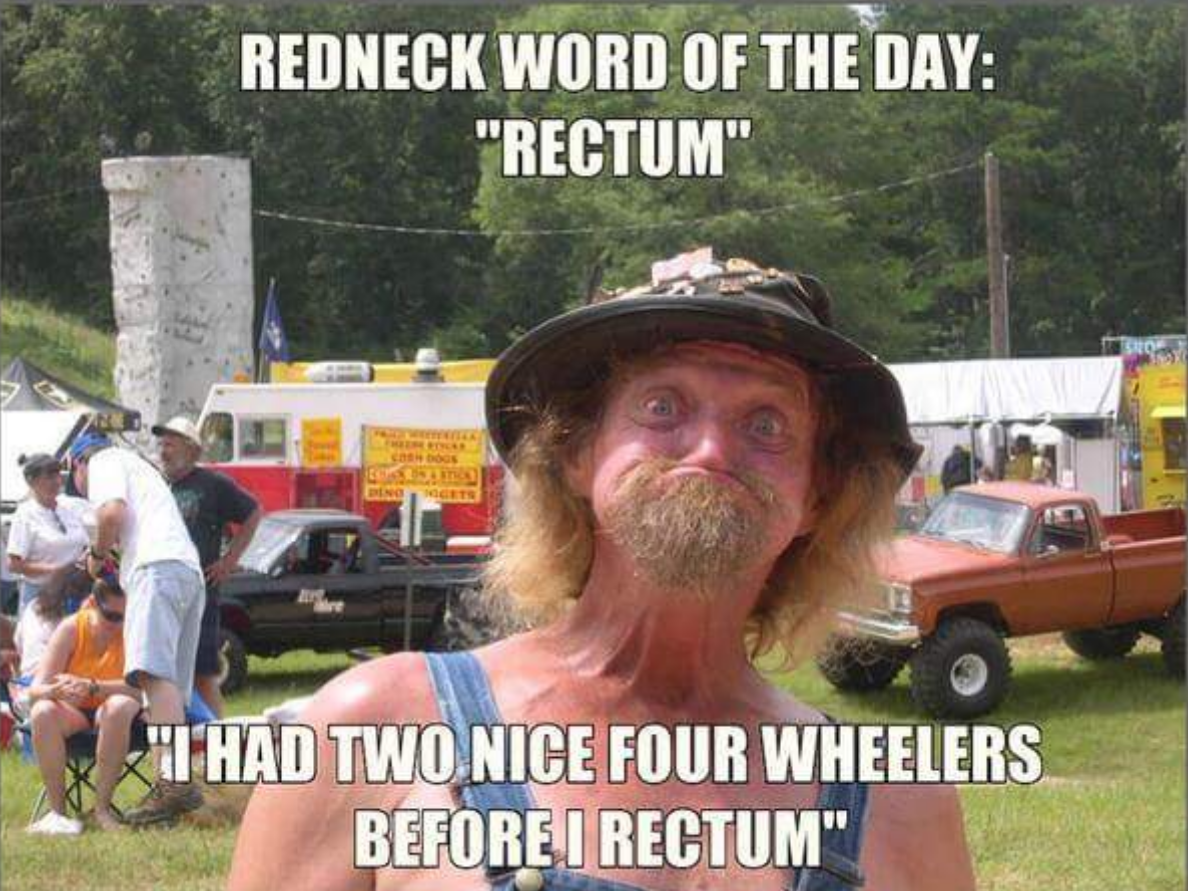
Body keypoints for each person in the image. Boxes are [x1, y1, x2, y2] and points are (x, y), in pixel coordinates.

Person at [229, 257, 975, 890]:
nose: (711, 451)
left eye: (766, 424)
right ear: (576, 455)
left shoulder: (900, 803)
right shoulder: (373, 730)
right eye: (663, 405)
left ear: (817, 495)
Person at [68, 430, 206, 826]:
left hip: (156, 570)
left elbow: (110, 513)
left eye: (75, 481)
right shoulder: (140, 469)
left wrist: (97, 555)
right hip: (185, 572)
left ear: (77, 464)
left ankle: (173, 782)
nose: (81, 490)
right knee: (167, 689)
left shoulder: (103, 461)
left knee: (153, 676)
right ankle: (169, 788)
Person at [153, 415, 261, 718]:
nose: (163, 450)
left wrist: (229, 561)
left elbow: (253, 513)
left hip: (200, 590)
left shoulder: (213, 484)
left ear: (192, 449)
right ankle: (176, 734)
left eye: (170, 444)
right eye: (161, 444)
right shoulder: (156, 484)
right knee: (161, 671)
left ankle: (219, 739)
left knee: (203, 671)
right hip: (161, 588)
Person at [25, 572, 141, 834]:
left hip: (119, 716)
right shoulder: (71, 628)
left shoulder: (136, 630)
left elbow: (142, 690)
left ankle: (102, 810)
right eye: (111, 616)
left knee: (118, 706)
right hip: (74, 713)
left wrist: (93, 686)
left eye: (125, 616)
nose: (119, 623)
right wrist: (56, 690)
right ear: (91, 603)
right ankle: (58, 814)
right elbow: (34, 692)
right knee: (42, 711)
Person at [7, 453, 92, 616]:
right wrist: (54, 570)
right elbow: (14, 564)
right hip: (41, 595)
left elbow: (89, 539)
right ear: (32, 481)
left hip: (75, 591)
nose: (57, 481)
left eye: (58, 475)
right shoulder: (25, 514)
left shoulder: (71, 506)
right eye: (49, 477)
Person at [13, 565, 93, 701]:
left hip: (24, 690)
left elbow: (19, 644)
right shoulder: (77, 619)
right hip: (52, 693)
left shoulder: (33, 606)